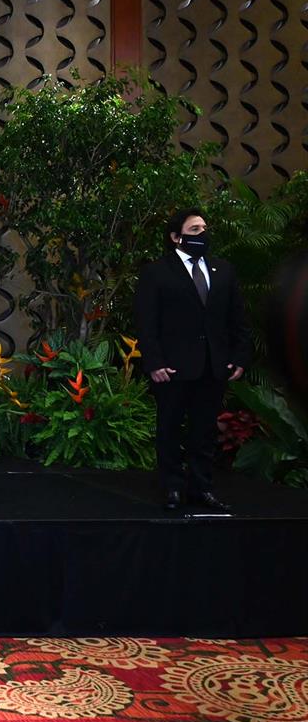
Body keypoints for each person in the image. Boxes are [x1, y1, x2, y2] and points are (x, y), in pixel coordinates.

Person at [134, 207, 250, 511]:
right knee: (170, 428)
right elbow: (147, 322)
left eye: (204, 228)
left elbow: (236, 318)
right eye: (195, 230)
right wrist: (155, 362)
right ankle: (172, 487)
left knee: (204, 430)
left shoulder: (222, 270)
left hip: (213, 366)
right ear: (176, 237)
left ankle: (202, 488)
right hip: (172, 367)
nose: (203, 234)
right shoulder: (156, 272)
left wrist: (238, 356)